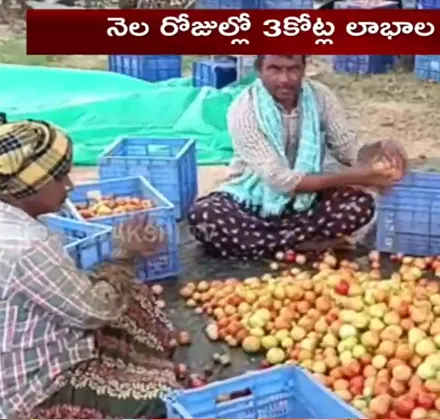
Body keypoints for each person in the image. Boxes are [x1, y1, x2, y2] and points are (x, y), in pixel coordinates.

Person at [0, 120, 178, 419]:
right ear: (24, 187)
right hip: (26, 388)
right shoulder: (27, 245)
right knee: (154, 403)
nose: (69, 186)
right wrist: (124, 256)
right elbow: (92, 311)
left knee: (129, 304)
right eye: (59, 178)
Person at [188, 55, 405, 260]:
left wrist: (380, 147)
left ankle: (271, 244)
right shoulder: (244, 109)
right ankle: (306, 244)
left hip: (306, 202)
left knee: (361, 204)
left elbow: (347, 150)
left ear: (304, 68)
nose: (285, 79)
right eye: (274, 69)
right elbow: (280, 180)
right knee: (205, 216)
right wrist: (360, 177)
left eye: (293, 69)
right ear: (259, 70)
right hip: (251, 200)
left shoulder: (320, 97)